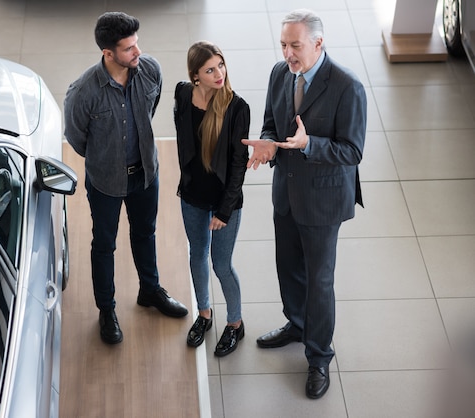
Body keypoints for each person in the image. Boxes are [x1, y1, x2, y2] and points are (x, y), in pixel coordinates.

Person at [242, 9, 366, 399]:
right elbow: (269, 122)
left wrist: (309, 144)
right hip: (287, 194)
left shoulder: (348, 87)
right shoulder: (280, 74)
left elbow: (352, 151)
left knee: (320, 281)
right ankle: (296, 324)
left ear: (318, 42)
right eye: (283, 44)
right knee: (289, 267)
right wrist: (267, 143)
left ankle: (319, 357)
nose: (288, 53)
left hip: (323, 200)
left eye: (295, 45)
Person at [63, 11, 188, 345]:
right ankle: (107, 310)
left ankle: (150, 290)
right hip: (105, 182)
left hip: (145, 173)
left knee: (145, 233)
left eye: (137, 44)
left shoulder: (150, 70)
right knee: (104, 245)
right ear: (108, 53)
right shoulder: (83, 92)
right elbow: (76, 138)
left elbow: (151, 107)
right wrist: (106, 157)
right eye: (129, 48)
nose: (138, 52)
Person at [174, 41, 250, 357]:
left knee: (221, 264)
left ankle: (235, 324)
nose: (219, 73)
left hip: (223, 203)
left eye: (221, 65)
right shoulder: (181, 94)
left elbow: (237, 166)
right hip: (192, 196)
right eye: (210, 69)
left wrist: (224, 210)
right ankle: (204, 315)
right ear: (195, 76)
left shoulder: (236, 107)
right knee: (196, 255)